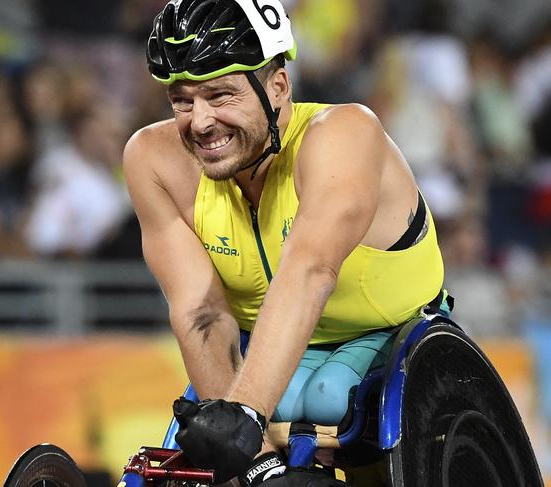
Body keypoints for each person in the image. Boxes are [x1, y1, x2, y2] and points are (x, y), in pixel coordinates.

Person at [124, 1, 445, 485]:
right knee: (211, 434)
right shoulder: (152, 158)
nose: (200, 122)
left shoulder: (345, 133)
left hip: (391, 339)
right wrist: (251, 458)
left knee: (325, 396)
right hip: (258, 352)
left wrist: (248, 415)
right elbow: (202, 312)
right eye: (182, 100)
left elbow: (311, 269)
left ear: (277, 86)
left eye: (220, 95)